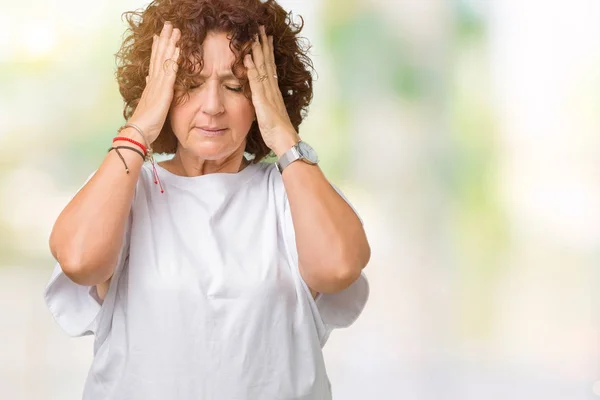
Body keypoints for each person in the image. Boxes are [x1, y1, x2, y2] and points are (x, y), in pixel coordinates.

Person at [44, 0, 371, 398]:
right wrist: (140, 127)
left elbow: (338, 269)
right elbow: (79, 260)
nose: (213, 107)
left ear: (263, 94)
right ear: (159, 90)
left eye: (235, 86)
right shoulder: (128, 189)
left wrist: (282, 133)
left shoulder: (290, 192)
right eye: (190, 84)